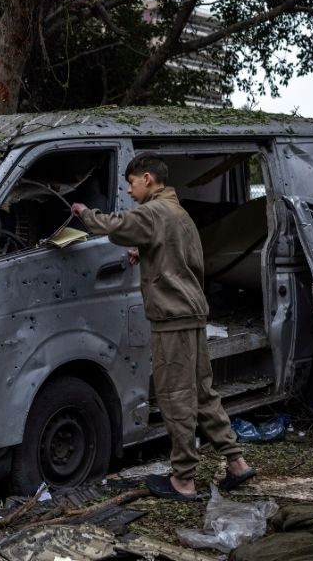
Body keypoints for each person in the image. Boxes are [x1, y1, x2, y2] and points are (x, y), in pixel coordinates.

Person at [70, 152, 255, 500]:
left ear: (148, 179)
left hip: (171, 319)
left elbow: (116, 226)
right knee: (202, 392)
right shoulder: (178, 213)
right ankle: (236, 462)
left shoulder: (152, 212)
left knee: (175, 398)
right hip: (193, 314)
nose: (128, 190)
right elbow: (180, 254)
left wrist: (84, 214)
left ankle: (183, 480)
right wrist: (147, 252)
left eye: (131, 183)